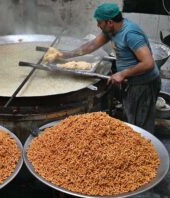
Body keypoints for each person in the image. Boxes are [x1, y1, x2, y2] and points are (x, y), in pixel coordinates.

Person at [60, 3, 161, 133]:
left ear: (110, 22)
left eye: (99, 22)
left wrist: (122, 74)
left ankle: (146, 149)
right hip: (132, 82)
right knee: (131, 118)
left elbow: (148, 63)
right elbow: (91, 45)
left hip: (144, 85)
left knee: (141, 125)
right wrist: (67, 54)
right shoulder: (111, 30)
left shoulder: (130, 34)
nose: (98, 25)